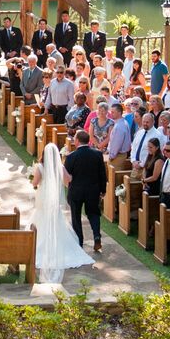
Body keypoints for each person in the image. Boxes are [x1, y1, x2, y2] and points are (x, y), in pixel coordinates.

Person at [30, 143, 94, 282]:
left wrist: (32, 178)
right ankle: (60, 246)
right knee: (56, 220)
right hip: (54, 200)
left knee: (40, 219)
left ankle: (39, 246)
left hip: (43, 198)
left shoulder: (40, 167)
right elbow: (68, 180)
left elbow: (35, 183)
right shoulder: (60, 167)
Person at [63, 129, 106, 253]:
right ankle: (97, 236)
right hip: (93, 190)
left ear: (76, 141)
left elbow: (67, 176)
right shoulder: (97, 154)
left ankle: (79, 241)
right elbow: (102, 174)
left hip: (76, 191)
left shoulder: (71, 156)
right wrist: (103, 190)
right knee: (93, 213)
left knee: (76, 216)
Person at [107, 102, 132, 167]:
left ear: (119, 112)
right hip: (120, 155)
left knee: (113, 176)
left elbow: (116, 143)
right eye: (111, 111)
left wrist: (111, 156)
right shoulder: (123, 122)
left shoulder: (119, 126)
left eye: (113, 112)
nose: (111, 114)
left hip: (117, 156)